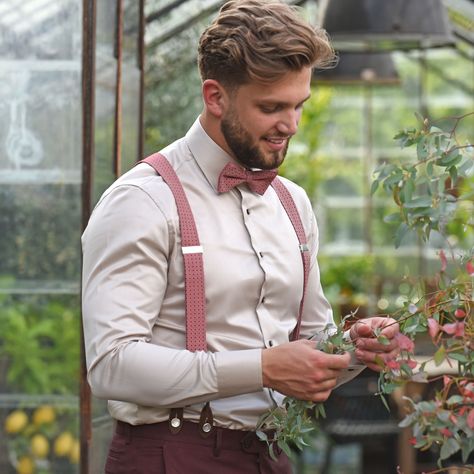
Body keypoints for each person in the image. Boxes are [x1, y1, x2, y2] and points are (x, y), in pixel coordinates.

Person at [81, 1, 400, 472]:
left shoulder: (292, 203)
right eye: (271, 107)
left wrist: (355, 349)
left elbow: (313, 338)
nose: (290, 125)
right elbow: (110, 365)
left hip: (270, 454)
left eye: (298, 105)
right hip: (169, 455)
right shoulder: (143, 202)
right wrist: (263, 367)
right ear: (216, 97)